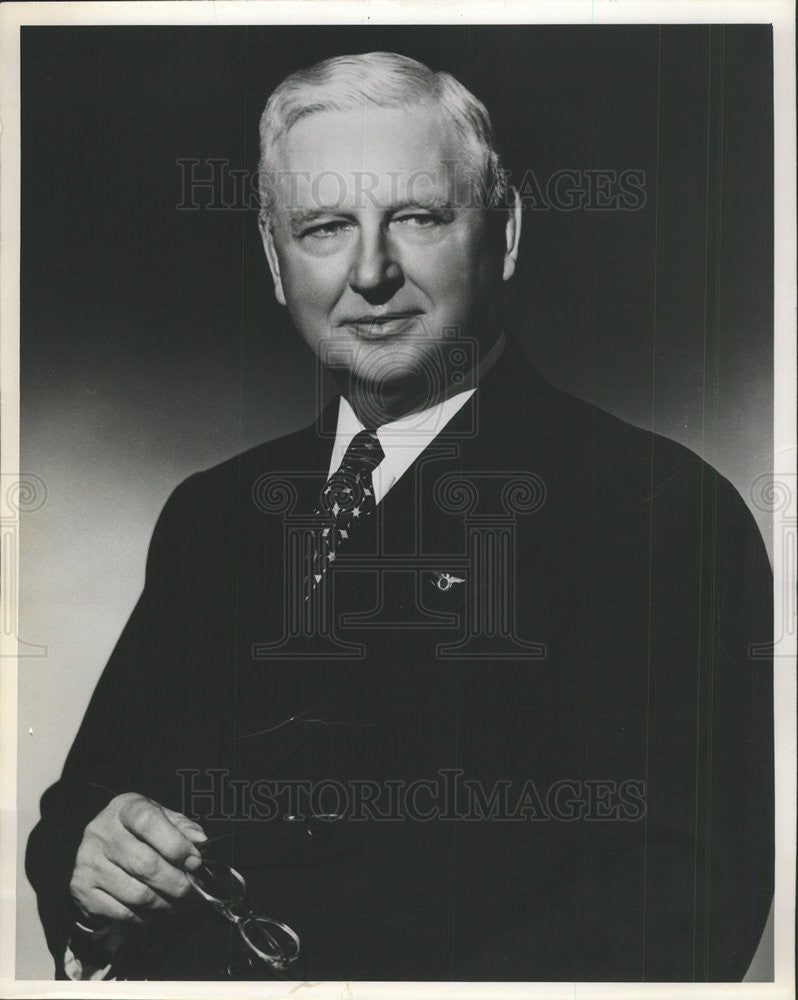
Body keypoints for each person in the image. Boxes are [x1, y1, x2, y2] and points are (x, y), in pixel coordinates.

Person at [26, 51, 773, 982]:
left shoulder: (659, 511)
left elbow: (689, 902)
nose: (371, 271)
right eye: (326, 227)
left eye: (418, 217)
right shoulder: (210, 515)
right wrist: (88, 862)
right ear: (274, 259)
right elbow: (87, 801)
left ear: (502, 235)